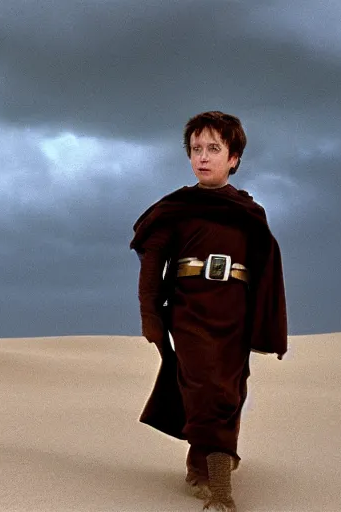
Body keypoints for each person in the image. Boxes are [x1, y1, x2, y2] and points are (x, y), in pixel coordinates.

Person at [129, 111, 288, 512]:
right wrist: (150, 314)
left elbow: (264, 270)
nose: (203, 156)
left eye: (213, 148)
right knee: (206, 388)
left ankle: (202, 465)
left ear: (233, 157)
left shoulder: (249, 213)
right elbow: (152, 265)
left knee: (230, 392)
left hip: (235, 313)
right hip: (189, 313)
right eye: (196, 149)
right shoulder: (175, 209)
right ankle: (220, 491)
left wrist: (262, 323)